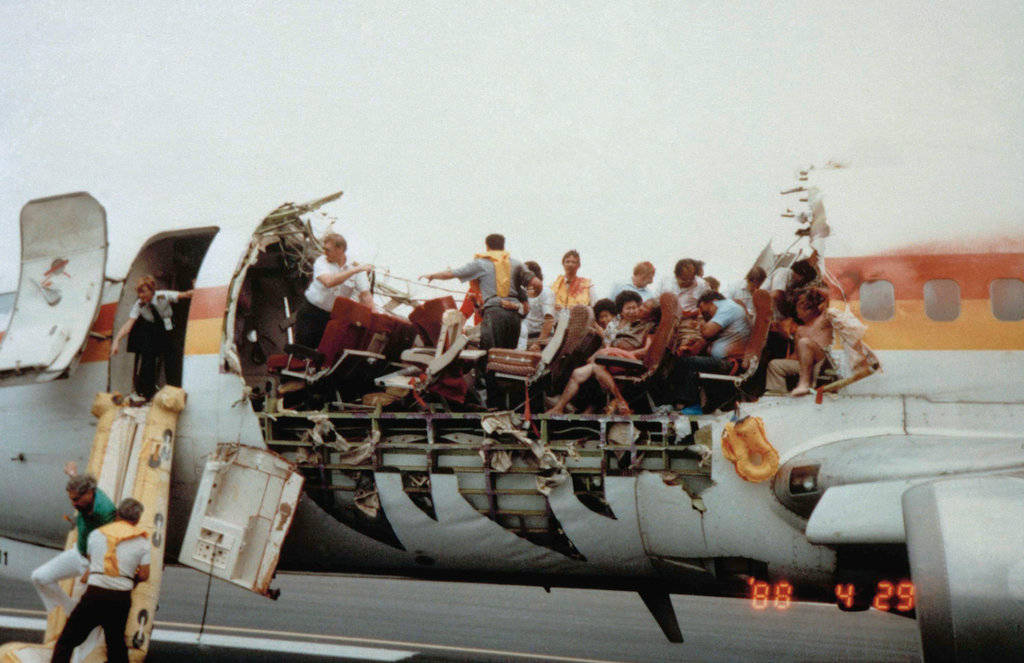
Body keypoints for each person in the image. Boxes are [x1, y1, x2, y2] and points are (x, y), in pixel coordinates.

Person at [50, 498, 150, 663]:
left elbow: (92, 560)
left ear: (117, 514)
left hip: (95, 595)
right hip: (121, 598)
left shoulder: (96, 534)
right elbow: (145, 575)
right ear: (137, 519)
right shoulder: (142, 542)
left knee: (67, 641)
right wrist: (129, 577)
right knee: (116, 644)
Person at [420, 233, 537, 350]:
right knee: (505, 355)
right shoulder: (514, 282)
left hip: (491, 325)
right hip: (512, 323)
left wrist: (432, 276)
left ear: (487, 248)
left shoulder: (482, 270)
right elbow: (466, 314)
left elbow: (454, 273)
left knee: (489, 354)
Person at [546, 291, 652, 415]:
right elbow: (607, 344)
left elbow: (646, 350)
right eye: (628, 308)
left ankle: (618, 401)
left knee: (595, 366)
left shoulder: (644, 326)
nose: (632, 311)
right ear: (621, 310)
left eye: (635, 307)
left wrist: (617, 353)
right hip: (610, 358)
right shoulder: (616, 325)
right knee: (577, 370)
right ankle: (559, 407)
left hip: (625, 361)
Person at [31, 465, 116, 616]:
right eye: (71, 499)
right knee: (39, 577)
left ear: (89, 493)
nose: (73, 505)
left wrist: (91, 571)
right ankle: (70, 609)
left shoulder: (105, 513)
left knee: (93, 614)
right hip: (79, 553)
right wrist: (72, 474)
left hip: (96, 563)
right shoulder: (88, 494)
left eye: (76, 500)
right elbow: (79, 484)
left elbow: (111, 545)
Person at [665, 291, 751, 414]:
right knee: (683, 361)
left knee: (686, 363)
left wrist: (701, 322)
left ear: (713, 301)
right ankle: (688, 405)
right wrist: (688, 349)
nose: (702, 313)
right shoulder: (723, 313)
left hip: (731, 362)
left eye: (702, 308)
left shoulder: (727, 307)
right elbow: (703, 342)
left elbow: (707, 332)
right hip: (723, 361)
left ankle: (688, 405)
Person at [110, 275, 193, 401]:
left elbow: (184, 295)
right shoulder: (139, 305)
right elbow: (129, 324)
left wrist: (197, 289)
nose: (141, 296)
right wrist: (116, 340)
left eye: (143, 292)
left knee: (172, 363)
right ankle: (146, 394)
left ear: (151, 290)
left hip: (170, 332)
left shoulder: (162, 296)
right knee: (148, 360)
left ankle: (176, 392)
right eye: (139, 293)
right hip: (156, 334)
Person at [294, 233, 374, 348]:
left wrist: (373, 319)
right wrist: (355, 270)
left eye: (328, 250)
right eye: (324, 249)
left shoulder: (356, 268)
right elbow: (329, 282)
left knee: (319, 353)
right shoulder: (322, 262)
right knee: (300, 351)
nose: (324, 253)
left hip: (329, 318)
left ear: (340, 249)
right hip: (310, 312)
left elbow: (365, 295)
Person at [766, 288, 833, 396]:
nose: (800, 309)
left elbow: (833, 296)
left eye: (804, 305)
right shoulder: (800, 330)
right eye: (799, 306)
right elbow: (797, 356)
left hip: (823, 361)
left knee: (805, 342)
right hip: (805, 364)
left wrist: (814, 290)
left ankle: (804, 384)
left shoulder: (823, 318)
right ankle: (777, 394)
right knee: (775, 365)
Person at [518, 260, 555, 351]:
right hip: (523, 338)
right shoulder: (523, 293)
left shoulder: (546, 292)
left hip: (538, 338)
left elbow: (549, 321)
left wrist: (538, 344)